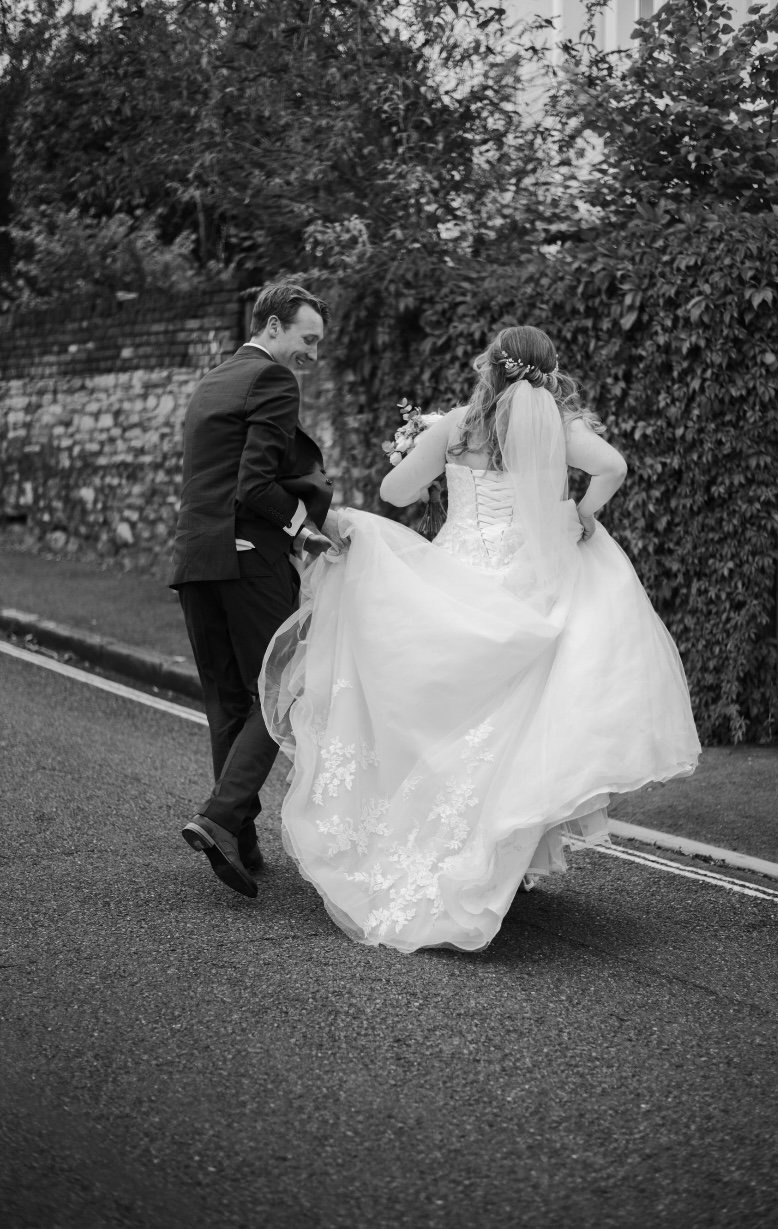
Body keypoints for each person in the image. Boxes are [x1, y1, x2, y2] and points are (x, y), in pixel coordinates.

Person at [260, 325, 701, 951]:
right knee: (517, 724)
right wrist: (584, 512)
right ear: (548, 373)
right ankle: (494, 855)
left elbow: (394, 493)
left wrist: (422, 448)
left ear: (489, 368)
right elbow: (613, 467)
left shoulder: (455, 426)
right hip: (532, 579)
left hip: (459, 573)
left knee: (445, 719)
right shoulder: (559, 427)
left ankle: (432, 850)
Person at [171, 281, 336, 899]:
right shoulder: (272, 382)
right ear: (272, 326)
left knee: (227, 702)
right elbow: (253, 487)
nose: (312, 355)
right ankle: (219, 817)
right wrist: (305, 530)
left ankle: (238, 837)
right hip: (246, 559)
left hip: (195, 557)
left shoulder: (214, 379)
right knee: (282, 686)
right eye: (307, 339)